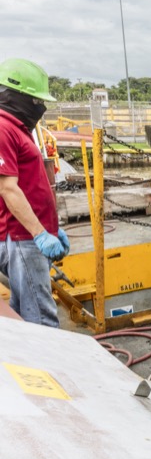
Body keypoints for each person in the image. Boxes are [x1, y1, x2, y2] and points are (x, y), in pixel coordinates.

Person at [0, 58, 70, 327]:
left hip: (29, 236)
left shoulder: (16, 128)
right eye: (36, 100)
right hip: (23, 237)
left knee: (23, 314)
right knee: (41, 319)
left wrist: (51, 228)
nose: (40, 107)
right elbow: (8, 188)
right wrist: (40, 233)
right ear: (14, 95)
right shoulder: (4, 129)